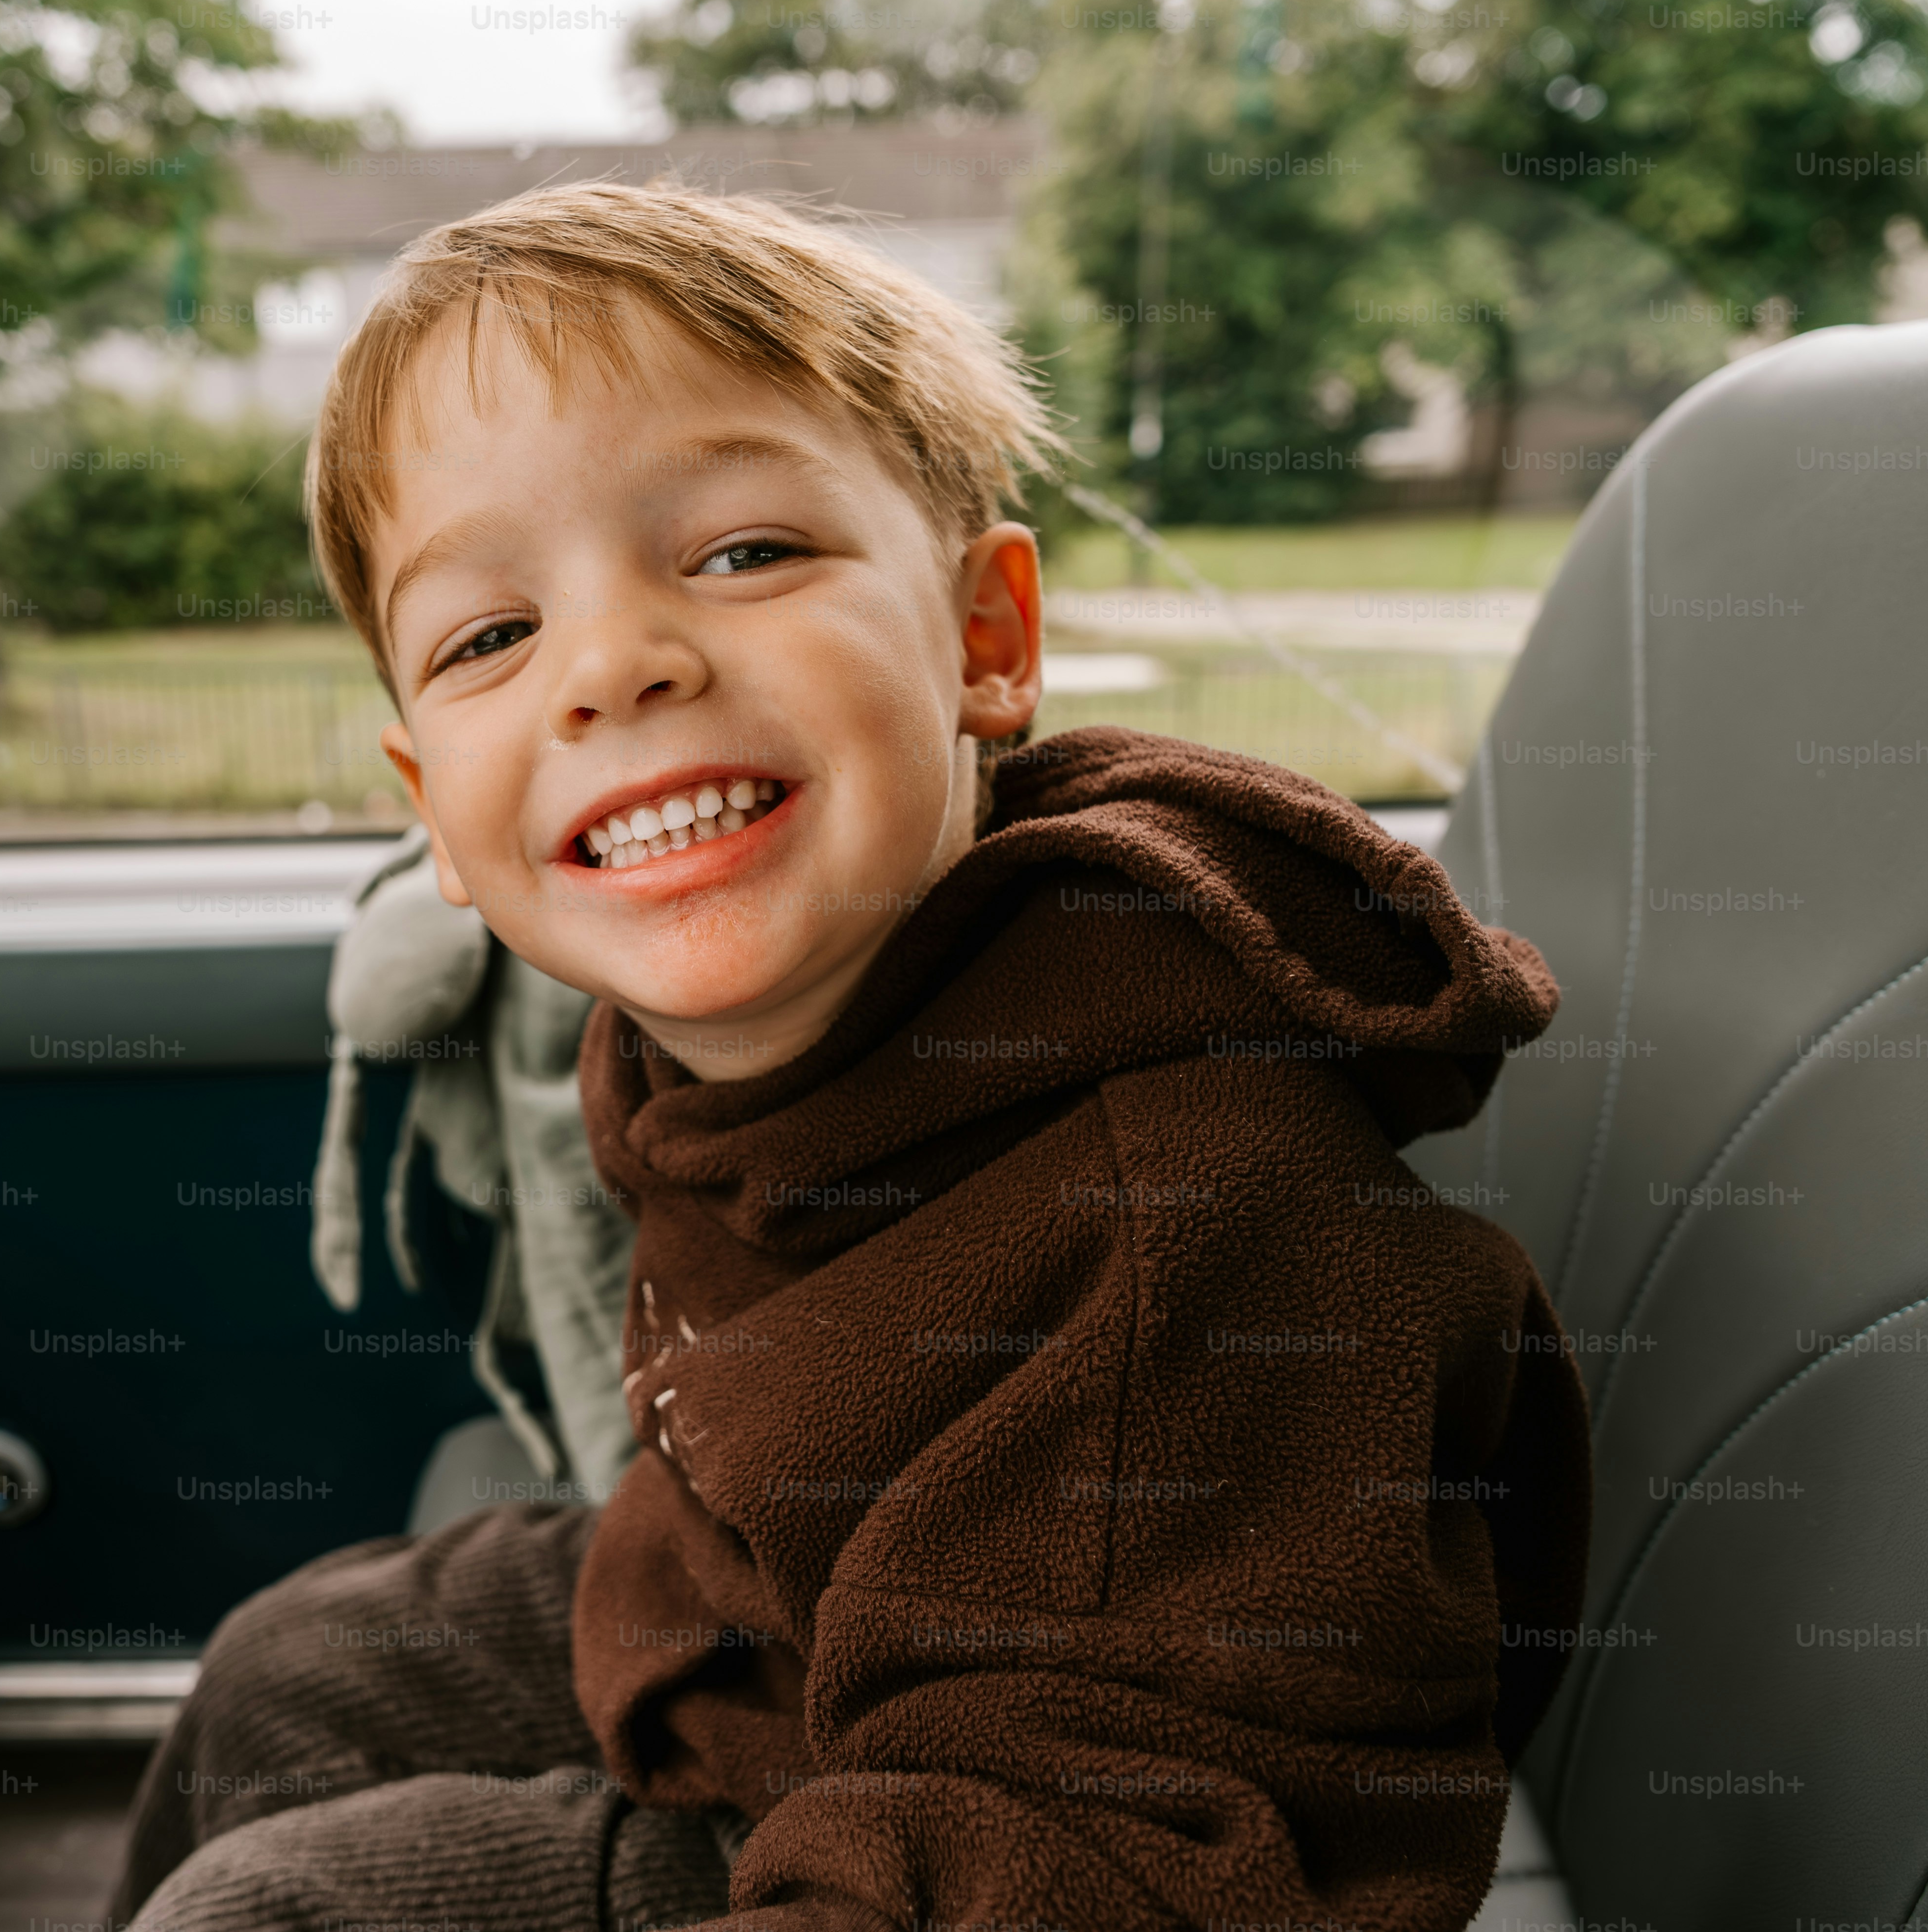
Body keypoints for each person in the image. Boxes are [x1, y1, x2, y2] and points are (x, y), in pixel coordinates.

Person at [110, 180, 1589, 1932]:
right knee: (291, 1671)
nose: (614, 666)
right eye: (490, 636)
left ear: (986, 642)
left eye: (742, 553)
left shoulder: (1188, 1219)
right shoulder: (715, 1055)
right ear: (432, 810)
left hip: (1006, 1840)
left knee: (279, 1913)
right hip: (792, 1634)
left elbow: (1124, 1865)